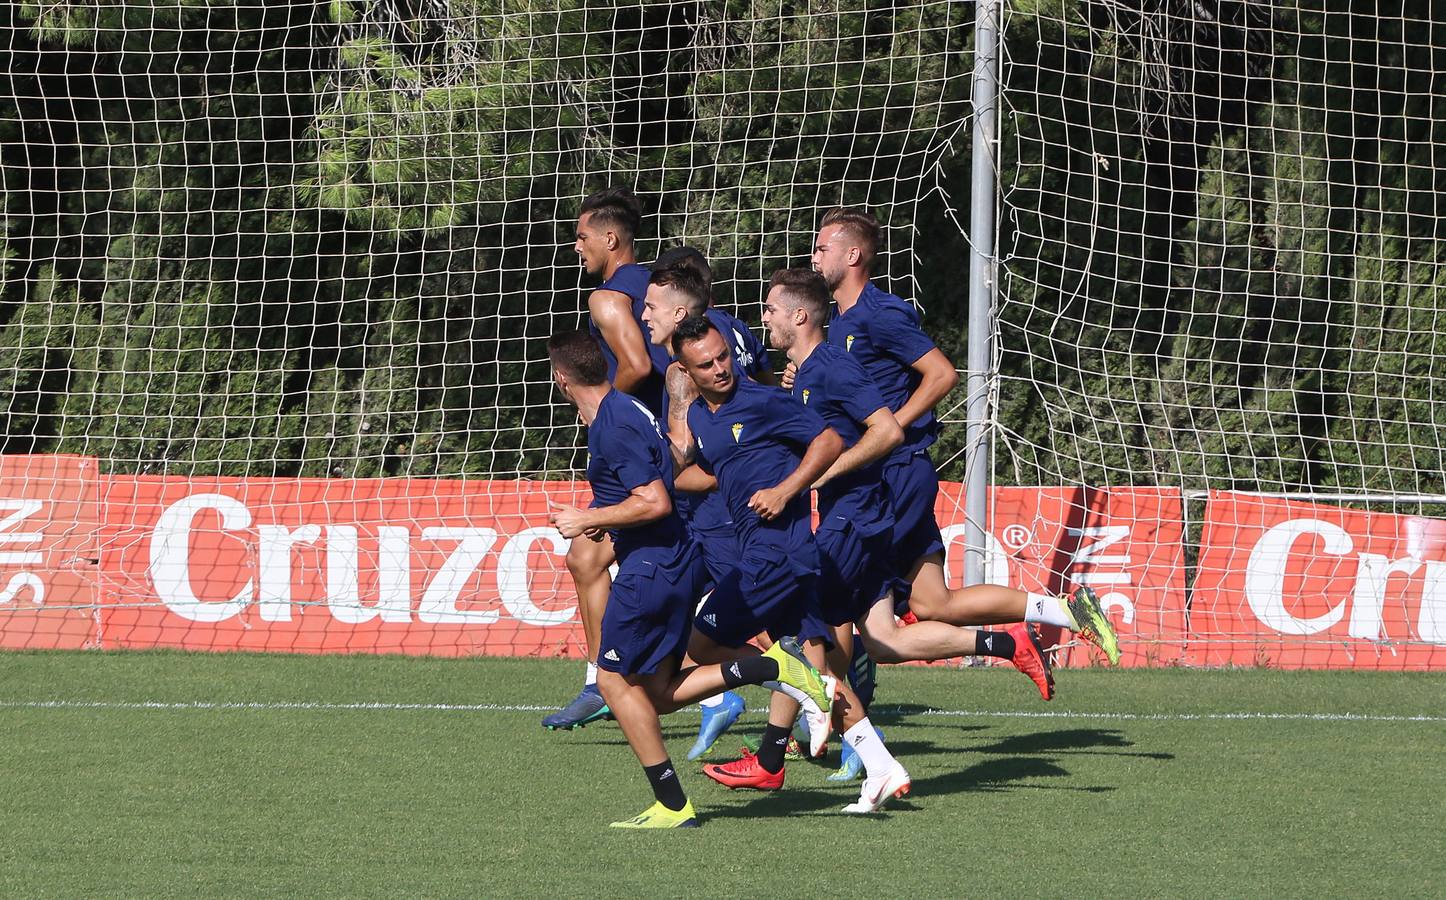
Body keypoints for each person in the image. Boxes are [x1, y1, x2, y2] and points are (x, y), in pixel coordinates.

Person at [803, 207, 1121, 670]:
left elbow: (941, 374)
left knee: (839, 599)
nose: (813, 256)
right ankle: (1064, 611)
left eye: (821, 247)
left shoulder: (878, 314)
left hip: (893, 476)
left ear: (852, 254)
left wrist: (891, 428)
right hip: (885, 476)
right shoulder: (840, 323)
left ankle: (816, 726)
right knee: (935, 605)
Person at [544, 329, 833, 828]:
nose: (720, 369)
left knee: (612, 683)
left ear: (560, 379)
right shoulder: (628, 408)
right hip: (676, 561)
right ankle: (768, 670)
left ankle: (673, 804)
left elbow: (655, 500)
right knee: (656, 691)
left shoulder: (612, 427)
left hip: (650, 569)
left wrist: (590, 519)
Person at [763, 269, 1055, 731]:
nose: (764, 317)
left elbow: (896, 420)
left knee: (815, 611)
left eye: (771, 309)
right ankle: (1008, 642)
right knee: (890, 631)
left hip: (872, 499)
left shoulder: (857, 338)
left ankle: (794, 737)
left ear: (799, 315)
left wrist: (820, 474)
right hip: (870, 497)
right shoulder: (820, 359)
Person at [668, 316, 909, 814]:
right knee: (804, 660)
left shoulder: (765, 401)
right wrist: (659, 488)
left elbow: (828, 441)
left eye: (723, 357)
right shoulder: (700, 419)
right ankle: (882, 766)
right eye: (705, 364)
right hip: (762, 556)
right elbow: (709, 472)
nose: (720, 369)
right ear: (686, 372)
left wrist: (787, 489)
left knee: (698, 647)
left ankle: (796, 691)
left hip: (778, 555)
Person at [544, 186, 672, 731]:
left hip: (648, 448)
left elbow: (638, 364)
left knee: (706, 575)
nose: (576, 246)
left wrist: (602, 409)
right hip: (671, 437)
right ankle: (600, 680)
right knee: (587, 558)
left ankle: (741, 683)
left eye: (582, 236)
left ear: (611, 238)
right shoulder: (663, 287)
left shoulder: (608, 296)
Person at [642, 258, 774, 759]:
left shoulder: (686, 368)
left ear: (680, 312)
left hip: (719, 511)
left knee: (771, 624)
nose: (644, 315)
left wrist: (651, 465)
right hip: (709, 508)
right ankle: (721, 698)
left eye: (651, 307)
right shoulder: (733, 332)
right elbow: (762, 388)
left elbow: (686, 452)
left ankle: (832, 707)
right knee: (684, 614)